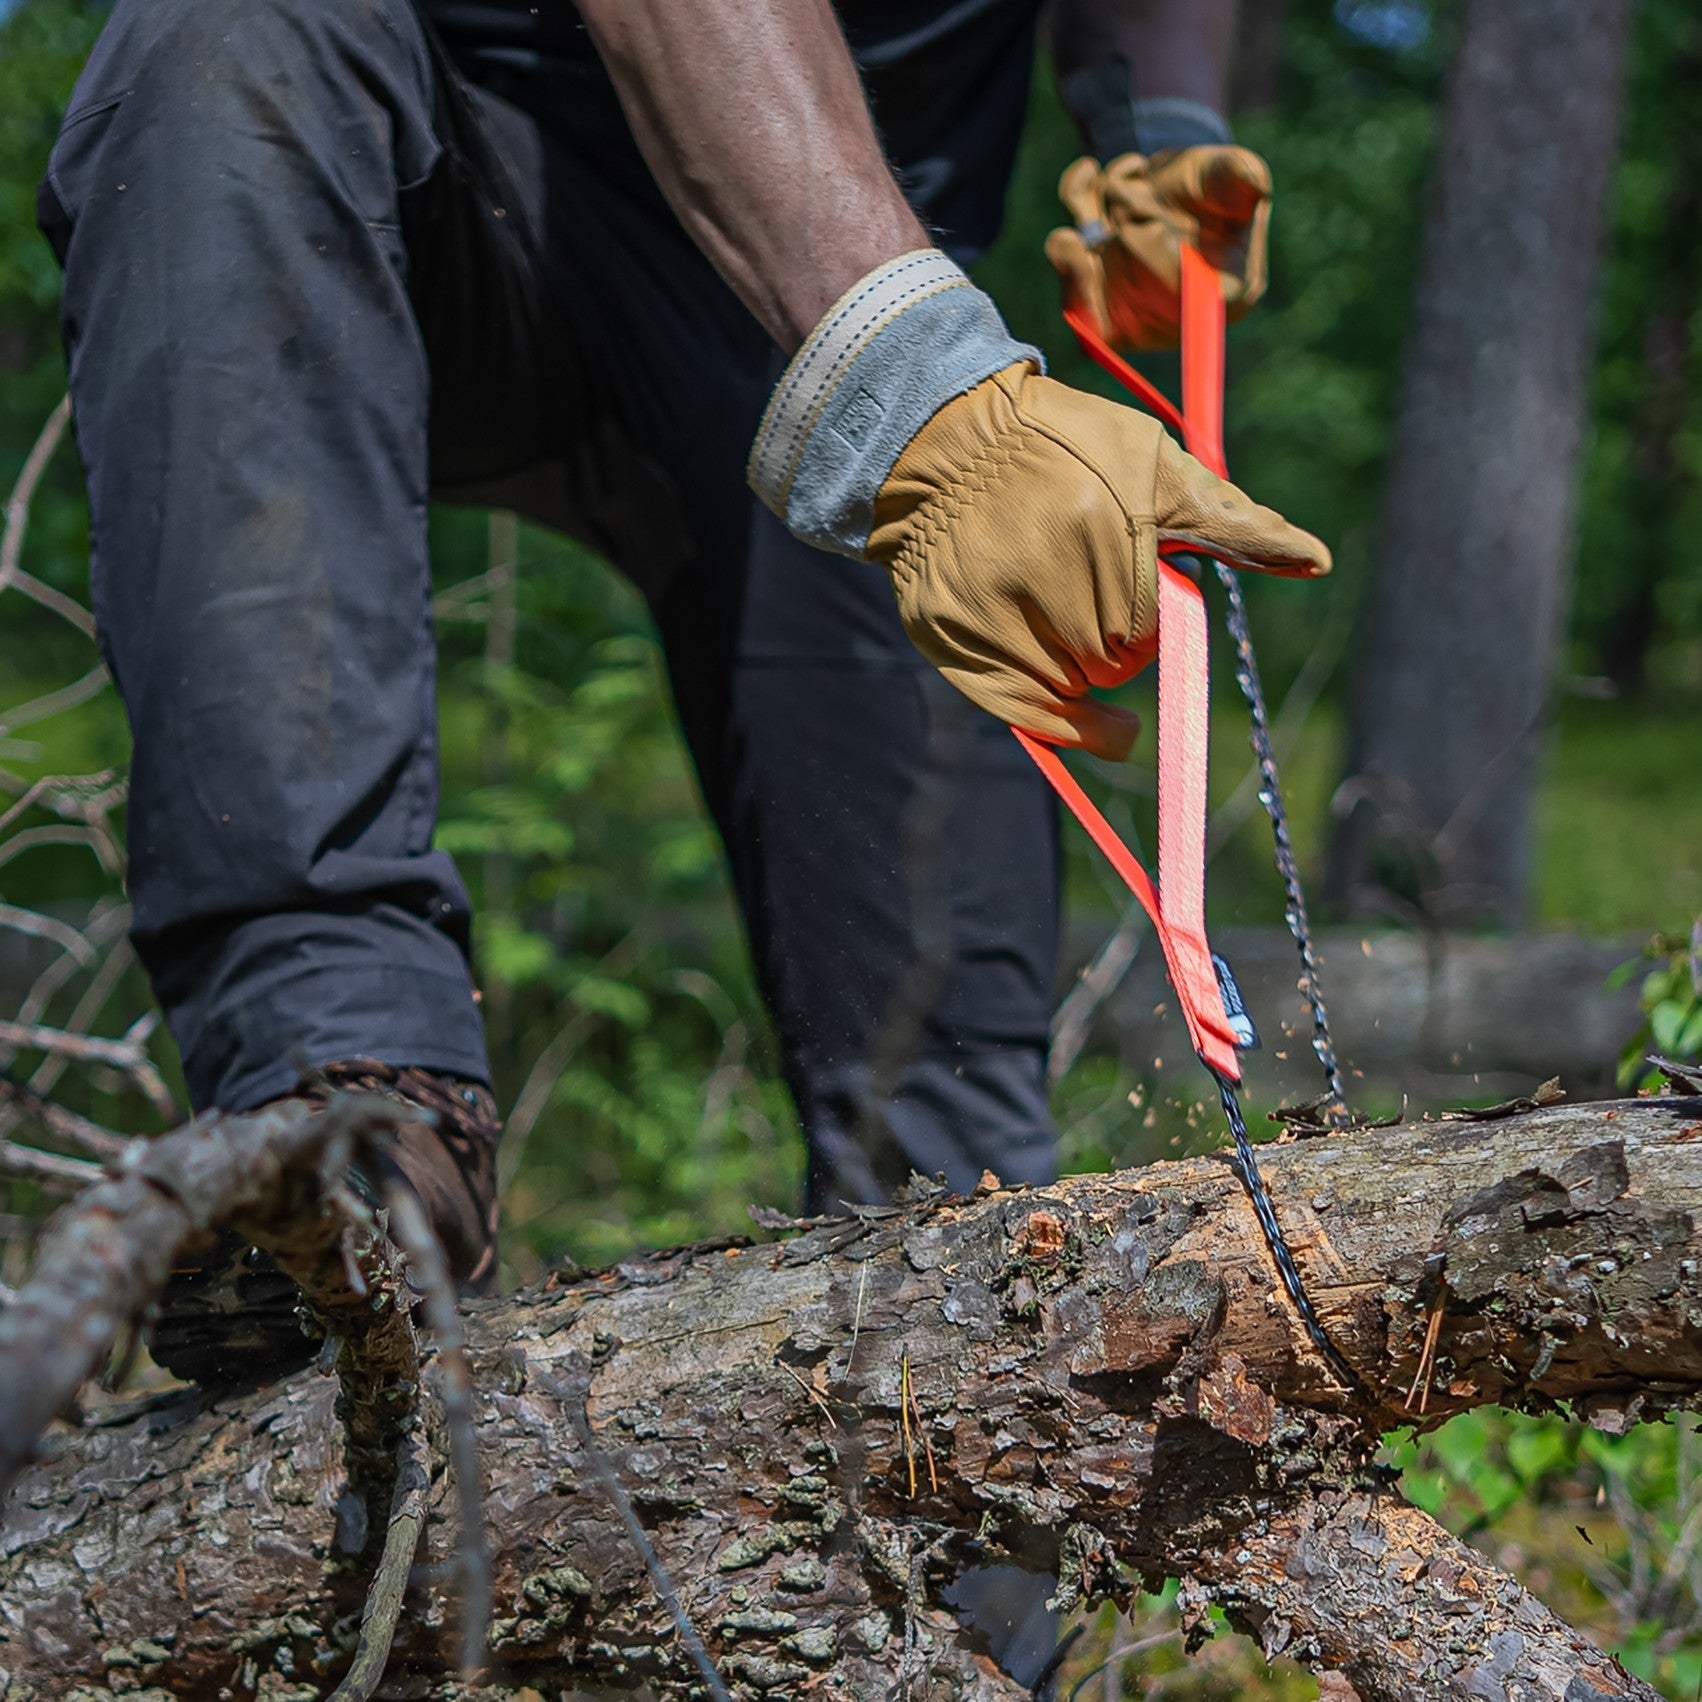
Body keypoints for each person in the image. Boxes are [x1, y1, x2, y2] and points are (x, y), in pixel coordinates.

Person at [36, 0, 1318, 1390]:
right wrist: (923, 395)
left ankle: (962, 1541)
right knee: (222, 50)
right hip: (468, 194)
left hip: (850, 276)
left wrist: (1158, 117)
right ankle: (342, 1099)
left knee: (943, 1111)